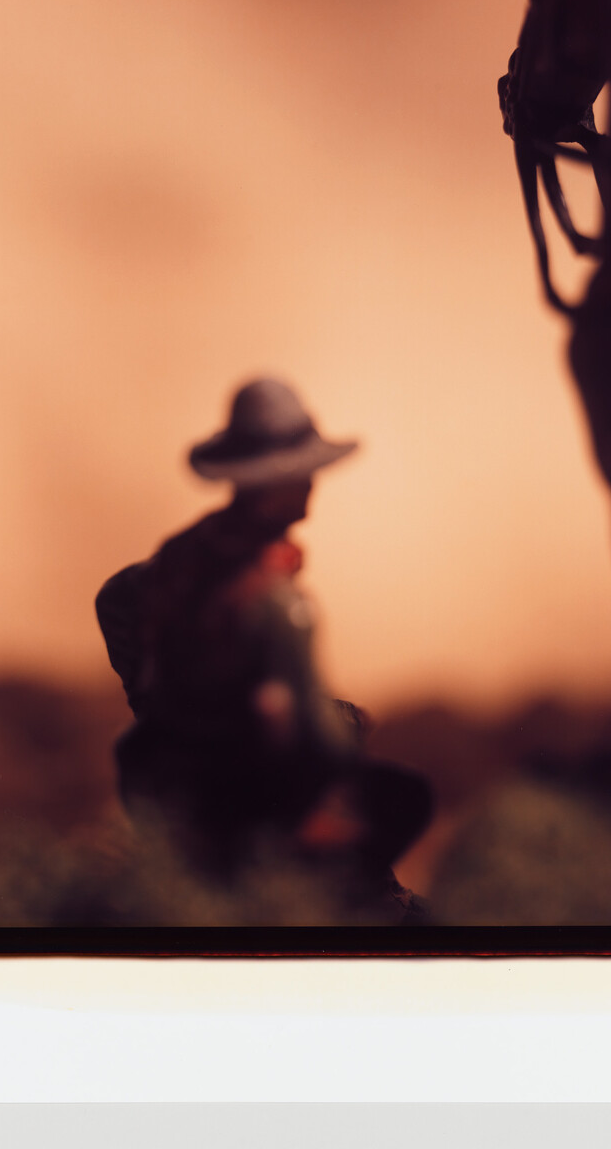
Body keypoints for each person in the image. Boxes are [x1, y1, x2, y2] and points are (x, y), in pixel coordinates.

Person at [95, 378, 432, 907]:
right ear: (279, 482)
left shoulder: (187, 552)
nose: (312, 484)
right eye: (304, 473)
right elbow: (319, 741)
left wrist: (156, 700)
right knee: (406, 798)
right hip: (237, 789)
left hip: (170, 766)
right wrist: (343, 726)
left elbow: (114, 598)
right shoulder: (275, 601)